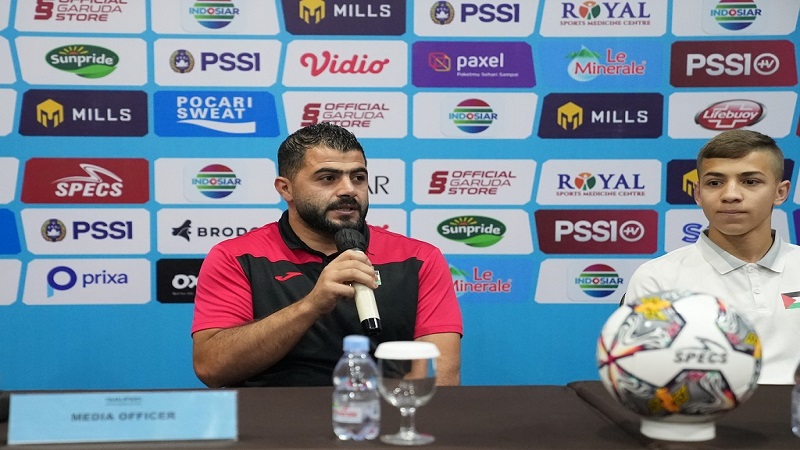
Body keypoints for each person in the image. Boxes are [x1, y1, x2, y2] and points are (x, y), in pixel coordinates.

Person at [191, 122, 463, 387]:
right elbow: (212, 368)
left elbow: (440, 376)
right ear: (286, 188)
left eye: (358, 178)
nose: (348, 190)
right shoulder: (235, 257)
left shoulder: (418, 258)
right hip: (273, 414)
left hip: (383, 411)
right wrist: (311, 305)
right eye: (328, 178)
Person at [624, 129, 800, 385]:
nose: (730, 195)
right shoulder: (658, 279)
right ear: (698, 193)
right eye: (715, 183)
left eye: (750, 181)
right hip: (703, 408)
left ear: (780, 192)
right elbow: (643, 377)